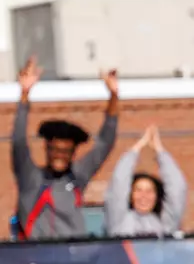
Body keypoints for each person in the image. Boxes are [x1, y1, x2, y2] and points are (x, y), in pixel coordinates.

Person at [11, 58, 120, 241]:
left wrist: (114, 96)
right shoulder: (30, 177)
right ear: (47, 149)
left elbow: (105, 144)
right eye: (55, 150)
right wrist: (24, 95)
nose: (59, 156)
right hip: (38, 259)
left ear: (73, 153)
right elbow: (18, 142)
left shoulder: (77, 177)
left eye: (66, 151)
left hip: (73, 258)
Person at [105, 124, 186, 238]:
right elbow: (119, 182)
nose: (144, 196)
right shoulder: (118, 221)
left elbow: (177, 189)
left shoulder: (164, 225)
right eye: (138, 190)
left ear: (156, 197)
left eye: (149, 191)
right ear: (130, 195)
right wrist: (138, 146)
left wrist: (160, 150)